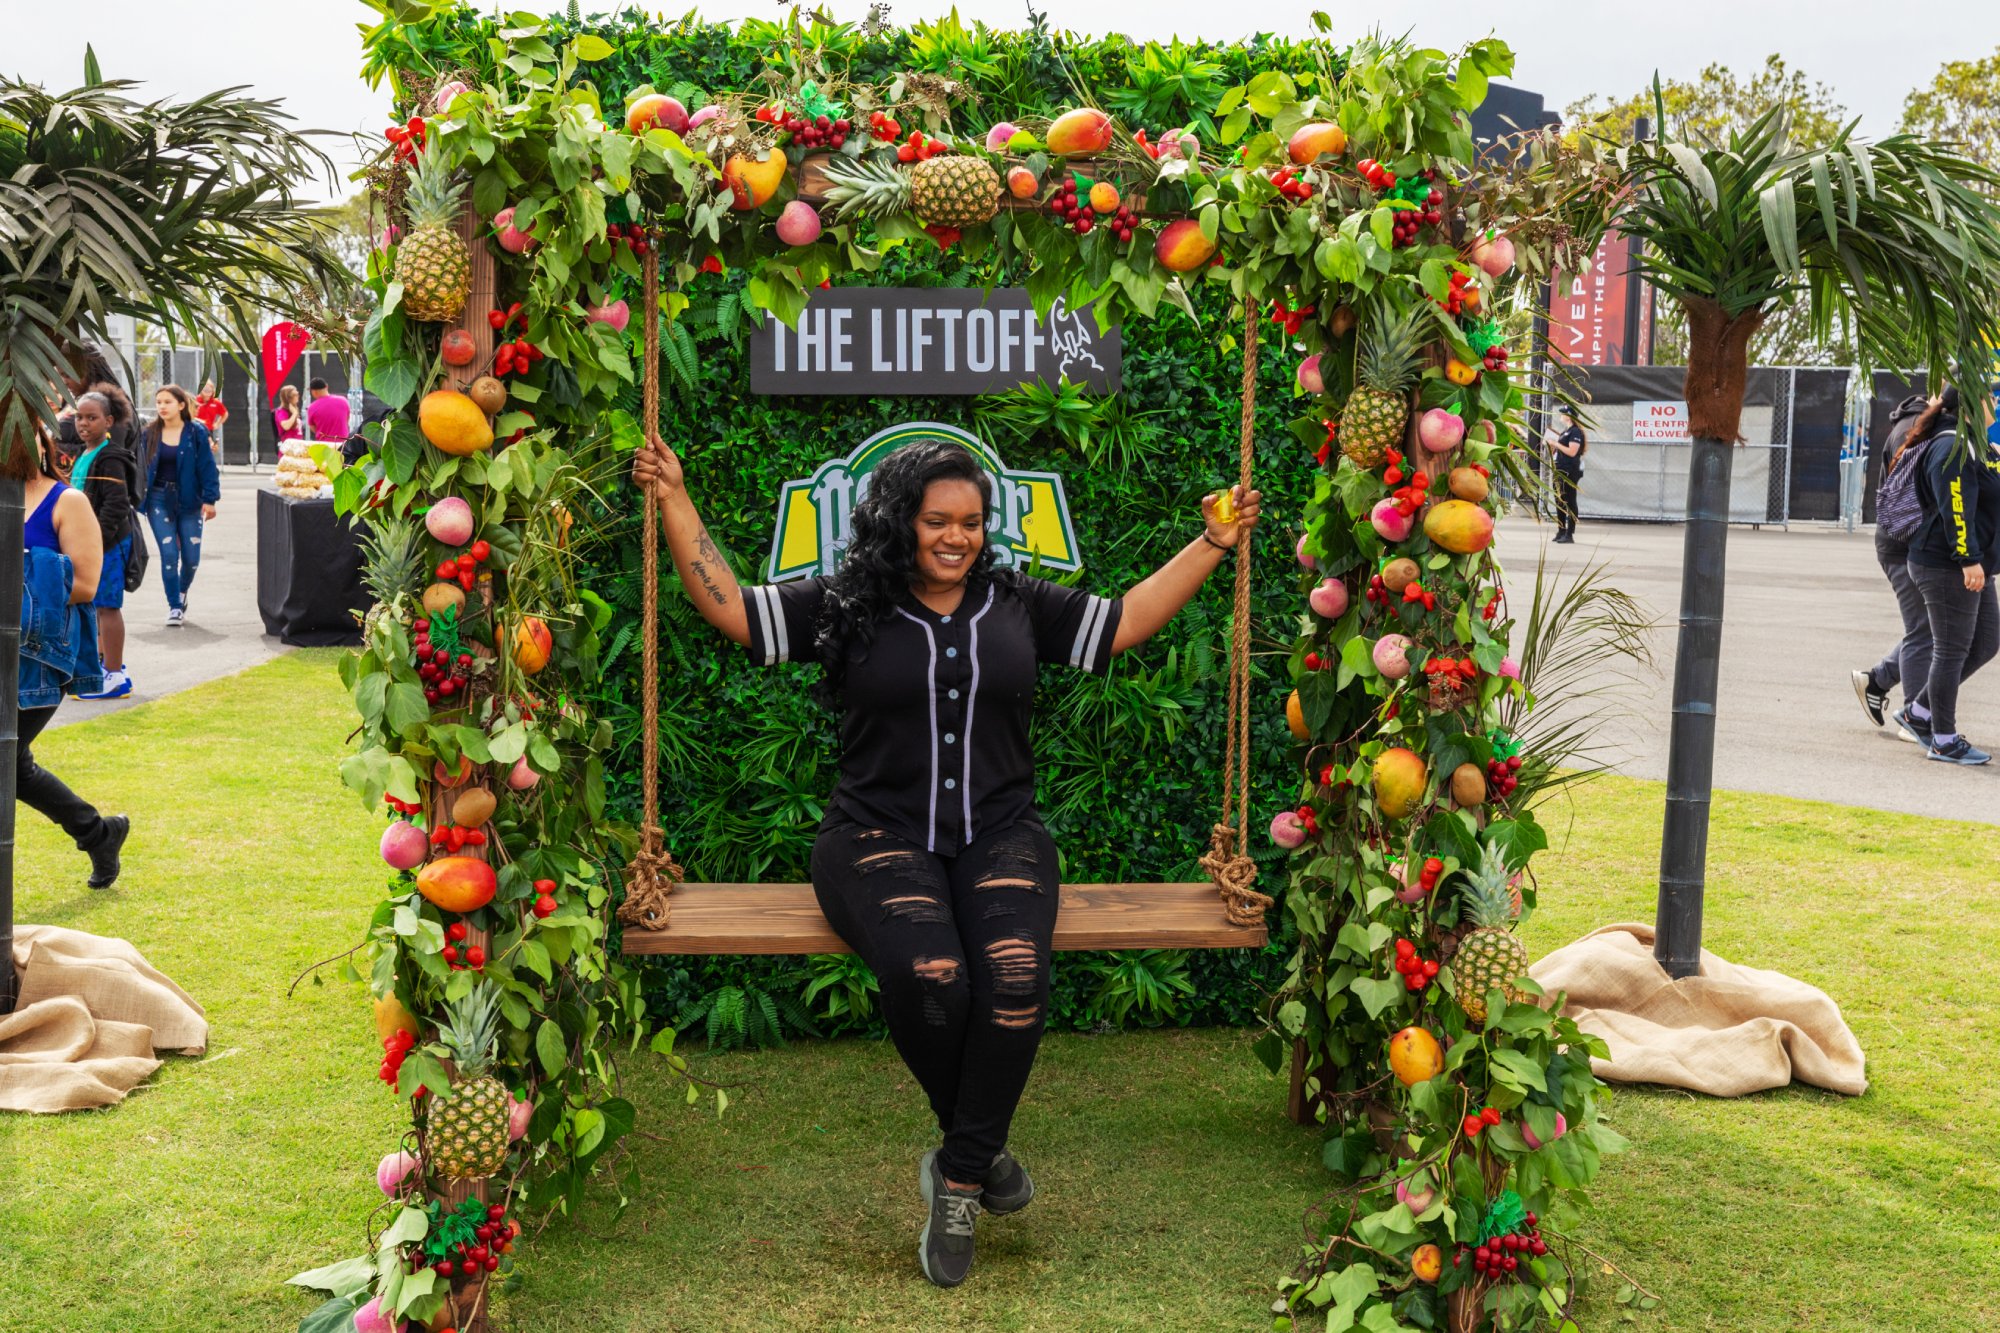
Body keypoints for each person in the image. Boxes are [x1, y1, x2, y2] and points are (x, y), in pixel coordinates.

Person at [631, 433, 1262, 1289]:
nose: (957, 537)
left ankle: (960, 1176)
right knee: (930, 975)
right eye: (937, 521)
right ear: (901, 520)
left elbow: (1122, 623)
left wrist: (1214, 542)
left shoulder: (1016, 601)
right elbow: (735, 609)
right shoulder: (848, 603)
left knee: (1015, 977)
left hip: (1001, 831)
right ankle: (985, 1146)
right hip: (872, 835)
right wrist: (673, 497)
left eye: (970, 521)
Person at [21, 425, 130, 887]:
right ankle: (98, 834)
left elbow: (85, 585)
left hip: (42, 657)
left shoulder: (67, 501)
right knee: (12, 765)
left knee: (6, 759)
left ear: (40, 440)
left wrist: (14, 582)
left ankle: (97, 834)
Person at [1902, 385, 2000, 764]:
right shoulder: (1952, 446)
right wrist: (1968, 558)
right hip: (1947, 565)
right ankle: (1943, 739)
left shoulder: (1975, 446)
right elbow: (1954, 505)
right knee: (1951, 651)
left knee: (1985, 642)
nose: (1996, 402)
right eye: (1990, 396)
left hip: (1971, 565)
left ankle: (1919, 712)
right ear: (1972, 403)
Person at [1852, 393, 1940, 730]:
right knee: (1923, 632)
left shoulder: (1927, 423)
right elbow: (1906, 499)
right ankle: (1914, 720)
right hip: (1903, 547)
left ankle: (1877, 681)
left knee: (1929, 630)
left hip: (1912, 544)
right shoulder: (1913, 428)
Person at [66, 393, 143, 700]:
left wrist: (94, 541)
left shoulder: (111, 457)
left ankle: (115, 675)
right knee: (95, 606)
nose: (83, 423)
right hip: (89, 543)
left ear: (108, 421)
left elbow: (116, 505)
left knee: (108, 607)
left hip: (108, 543)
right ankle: (102, 667)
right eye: (79, 417)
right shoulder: (86, 453)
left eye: (91, 417)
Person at [137, 384, 220, 628]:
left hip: (190, 500)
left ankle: (182, 592)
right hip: (158, 499)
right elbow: (140, 467)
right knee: (169, 554)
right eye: (158, 402)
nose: (162, 406)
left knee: (191, 558)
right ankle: (174, 606)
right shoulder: (149, 433)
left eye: (168, 402)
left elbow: (207, 466)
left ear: (181, 405)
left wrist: (210, 499)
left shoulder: (196, 432)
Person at [1544, 406, 1585, 543]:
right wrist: (1553, 446)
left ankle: (1569, 533)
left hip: (1569, 470)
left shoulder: (1575, 432)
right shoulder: (1565, 432)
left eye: (1563, 413)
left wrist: (1556, 443)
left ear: (1569, 416)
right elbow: (1562, 449)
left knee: (1570, 500)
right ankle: (1561, 530)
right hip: (1560, 468)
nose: (1561, 415)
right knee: (1559, 500)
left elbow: (1572, 452)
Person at [305, 378, 350, 442]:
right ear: (326, 386)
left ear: (314, 392)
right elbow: (346, 420)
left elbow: (313, 427)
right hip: (343, 444)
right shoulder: (343, 401)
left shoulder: (312, 408)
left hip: (324, 444)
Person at [193, 379, 228, 445]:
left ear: (212, 391)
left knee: (208, 447)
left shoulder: (216, 403)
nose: (207, 393)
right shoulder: (195, 401)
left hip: (208, 431)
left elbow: (225, 414)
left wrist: (217, 423)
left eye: (209, 391)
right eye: (205, 390)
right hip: (195, 430)